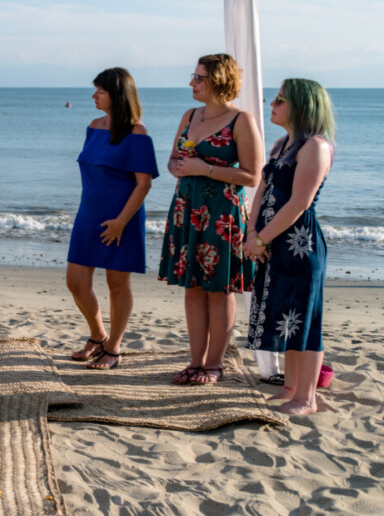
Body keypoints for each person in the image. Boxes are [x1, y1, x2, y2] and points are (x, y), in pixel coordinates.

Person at [158, 54, 262, 385]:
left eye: (198, 78)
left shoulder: (241, 120)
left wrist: (206, 169)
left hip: (223, 215)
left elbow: (252, 175)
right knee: (192, 287)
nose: (192, 83)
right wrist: (176, 166)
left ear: (218, 81)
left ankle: (215, 364)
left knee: (219, 290)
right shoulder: (190, 115)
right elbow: (173, 159)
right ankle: (195, 360)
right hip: (187, 210)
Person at [244, 80, 334, 415]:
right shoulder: (283, 143)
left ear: (301, 105)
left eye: (280, 100)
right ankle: (291, 387)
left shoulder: (315, 146)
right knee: (286, 318)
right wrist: (252, 232)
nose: (272, 104)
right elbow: (262, 191)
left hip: (300, 244)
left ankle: (307, 398)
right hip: (272, 240)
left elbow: (299, 202)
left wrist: (262, 238)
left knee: (305, 320)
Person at [66, 68, 158, 370]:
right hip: (88, 215)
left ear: (117, 95)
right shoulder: (93, 127)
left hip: (123, 218)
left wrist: (120, 221)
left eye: (100, 92)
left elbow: (144, 183)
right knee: (76, 282)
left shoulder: (137, 133)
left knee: (117, 284)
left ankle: (114, 347)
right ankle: (97, 336)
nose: (94, 96)